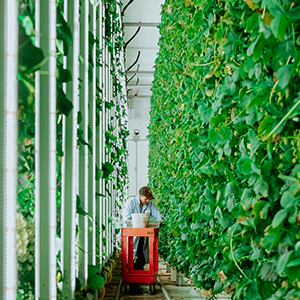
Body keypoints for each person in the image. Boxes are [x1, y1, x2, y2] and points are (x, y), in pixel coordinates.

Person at [123, 186, 162, 270]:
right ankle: (130, 270)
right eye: (146, 199)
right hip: (131, 233)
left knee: (142, 252)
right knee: (130, 253)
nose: (148, 201)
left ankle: (139, 269)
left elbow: (157, 214)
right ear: (140, 196)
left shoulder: (149, 204)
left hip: (143, 234)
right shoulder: (130, 203)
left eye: (149, 199)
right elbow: (126, 219)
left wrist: (160, 222)